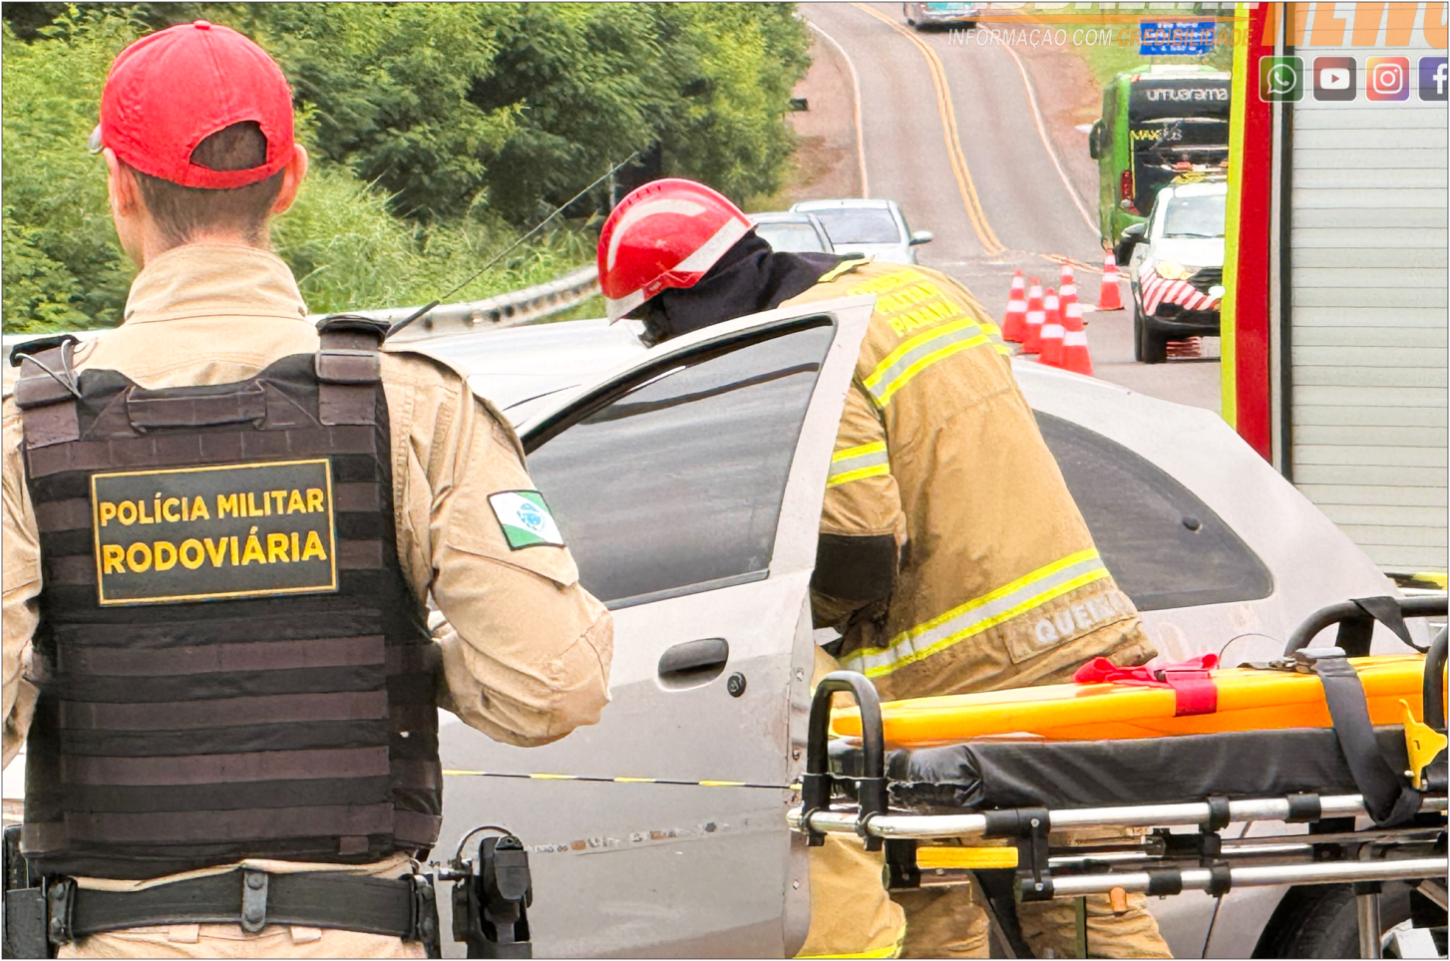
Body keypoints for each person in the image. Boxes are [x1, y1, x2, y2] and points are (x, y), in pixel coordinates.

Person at [1, 21, 613, 959]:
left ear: (119, 186)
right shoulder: (413, 405)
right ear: (290, 179)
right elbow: (552, 686)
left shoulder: (27, 429)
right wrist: (400, 661)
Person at [597, 178, 1169, 959]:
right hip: (1083, 650)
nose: (658, 342)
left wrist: (766, 597)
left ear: (685, 301)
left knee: (938, 919)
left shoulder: (812, 345)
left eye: (654, 324)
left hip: (960, 681)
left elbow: (861, 551)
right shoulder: (912, 288)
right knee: (1086, 908)